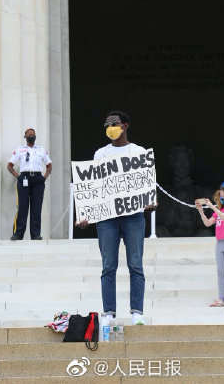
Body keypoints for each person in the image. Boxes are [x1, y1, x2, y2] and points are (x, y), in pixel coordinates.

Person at [76, 110, 156, 326]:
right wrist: (86, 213)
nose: (110, 127)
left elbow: (146, 184)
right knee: (108, 265)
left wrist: (150, 201)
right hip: (107, 218)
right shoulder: (100, 154)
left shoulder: (138, 152)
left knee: (135, 264)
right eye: (107, 124)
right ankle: (108, 313)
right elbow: (93, 187)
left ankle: (136, 312)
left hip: (133, 215)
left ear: (125, 125)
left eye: (115, 123)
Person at [7, 128, 52, 240]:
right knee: (22, 207)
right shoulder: (20, 149)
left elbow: (49, 165)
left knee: (36, 208)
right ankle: (18, 234)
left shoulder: (41, 149)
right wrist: (19, 177)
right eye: (29, 134)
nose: (31, 136)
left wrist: (44, 178)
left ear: (35, 137)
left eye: (33, 134)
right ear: (25, 137)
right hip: (24, 178)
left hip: (38, 179)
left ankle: (36, 234)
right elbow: (9, 165)